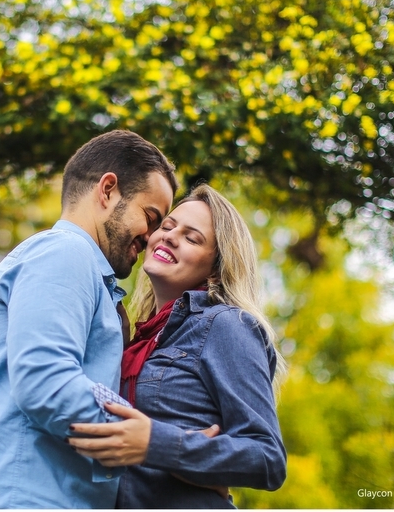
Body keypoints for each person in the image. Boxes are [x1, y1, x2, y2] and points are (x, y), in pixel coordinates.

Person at [0, 130, 178, 509]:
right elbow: (45, 380)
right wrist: (153, 442)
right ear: (108, 190)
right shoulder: (65, 254)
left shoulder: (86, 274)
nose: (151, 238)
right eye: (150, 217)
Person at [68, 184, 287, 508]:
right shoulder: (133, 340)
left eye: (192, 237)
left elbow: (267, 458)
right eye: (167, 226)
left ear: (216, 267)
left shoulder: (227, 325)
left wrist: (158, 445)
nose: (169, 236)